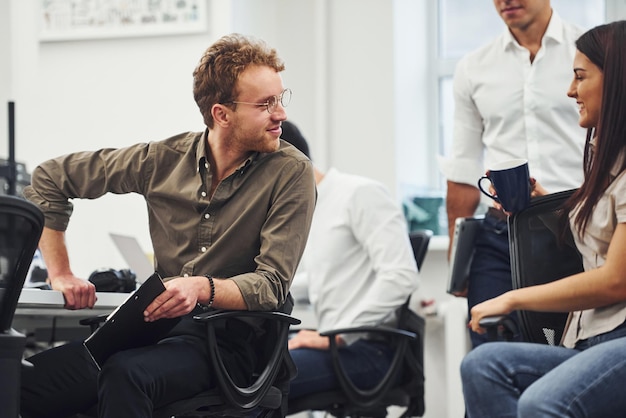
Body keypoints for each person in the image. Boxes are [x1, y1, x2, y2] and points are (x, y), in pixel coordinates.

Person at [18, 34, 316, 418]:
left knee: (126, 375)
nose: (281, 114)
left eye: (280, 98)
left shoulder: (290, 172)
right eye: (265, 104)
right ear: (221, 114)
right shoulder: (162, 160)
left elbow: (272, 285)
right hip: (156, 331)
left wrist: (200, 287)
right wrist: (60, 274)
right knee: (25, 384)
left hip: (232, 345)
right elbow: (51, 178)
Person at [461, 20, 626, 417]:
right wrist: (539, 202)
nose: (571, 90)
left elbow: (615, 280)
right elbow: (599, 240)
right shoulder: (607, 159)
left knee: (543, 401)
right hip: (594, 335)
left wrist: (512, 298)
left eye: (580, 77)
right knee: (482, 366)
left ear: (618, 80)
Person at [438, 0, 586, 347]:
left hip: (573, 231)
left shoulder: (588, 53)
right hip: (500, 237)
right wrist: (455, 262)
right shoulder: (474, 67)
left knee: (568, 359)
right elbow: (462, 169)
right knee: (488, 357)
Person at [280, 121, 420, 399]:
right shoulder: (313, 208)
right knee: (237, 371)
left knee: (257, 381)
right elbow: (328, 278)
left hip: (370, 351)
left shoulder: (358, 194)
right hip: (338, 345)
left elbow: (401, 275)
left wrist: (337, 336)